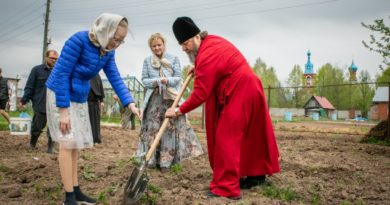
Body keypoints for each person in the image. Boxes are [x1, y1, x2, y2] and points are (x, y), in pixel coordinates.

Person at [166, 17, 280, 200]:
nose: (183, 48)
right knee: (251, 136)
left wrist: (178, 110)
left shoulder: (206, 55)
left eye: (185, 43)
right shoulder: (213, 42)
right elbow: (215, 66)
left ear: (196, 36)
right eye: (180, 44)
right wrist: (197, 67)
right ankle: (256, 176)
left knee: (227, 137)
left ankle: (226, 188)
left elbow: (200, 95)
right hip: (250, 87)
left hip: (241, 91)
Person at [45, 13, 140, 205]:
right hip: (60, 93)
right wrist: (63, 111)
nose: (117, 44)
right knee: (67, 142)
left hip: (79, 95)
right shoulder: (78, 41)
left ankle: (76, 189)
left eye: (121, 41)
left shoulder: (107, 51)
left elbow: (114, 77)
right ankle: (68, 197)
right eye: (115, 38)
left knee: (75, 144)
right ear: (105, 30)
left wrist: (129, 103)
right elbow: (62, 74)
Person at [136, 33, 203, 173]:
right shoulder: (147, 61)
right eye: (154, 46)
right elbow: (144, 80)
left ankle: (166, 162)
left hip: (170, 99)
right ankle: (151, 159)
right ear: (151, 47)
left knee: (169, 129)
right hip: (154, 100)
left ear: (164, 45)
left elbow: (178, 78)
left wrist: (167, 80)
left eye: (159, 45)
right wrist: (156, 81)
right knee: (153, 128)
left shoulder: (173, 59)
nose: (157, 48)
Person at [20, 50, 58, 153]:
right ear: (46, 57)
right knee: (37, 127)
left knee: (53, 127)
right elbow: (29, 86)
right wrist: (24, 99)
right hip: (40, 103)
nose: (54, 60)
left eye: (56, 59)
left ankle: (51, 147)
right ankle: (32, 143)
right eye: (52, 58)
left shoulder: (59, 71)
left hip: (55, 105)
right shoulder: (37, 70)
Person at [87, 74, 105, 144]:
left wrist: (101, 100)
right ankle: (88, 138)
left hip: (95, 102)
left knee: (95, 121)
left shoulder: (97, 75)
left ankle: (96, 138)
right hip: (85, 102)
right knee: (87, 121)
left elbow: (100, 86)